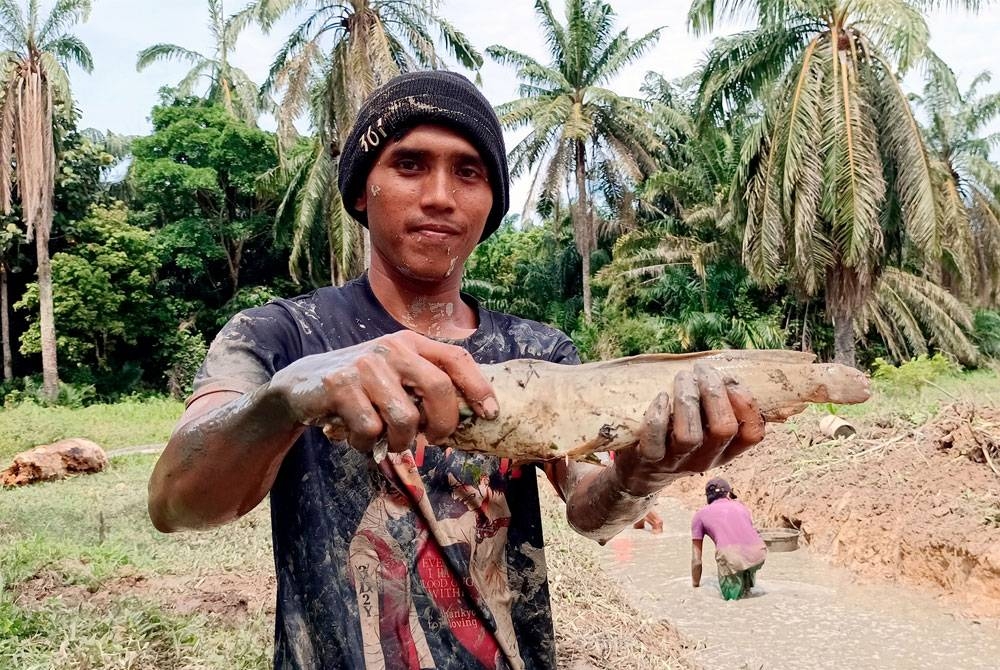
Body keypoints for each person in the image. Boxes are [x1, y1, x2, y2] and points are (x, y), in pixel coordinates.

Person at [147, 70, 767, 670]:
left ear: (491, 203)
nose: (440, 195)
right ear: (363, 189)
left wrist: (643, 471)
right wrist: (292, 396)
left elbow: (588, 507)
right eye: (410, 164)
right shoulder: (278, 336)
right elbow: (176, 502)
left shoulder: (539, 352)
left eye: (468, 172)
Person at [690, 477, 767, 601]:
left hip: (732, 557)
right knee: (747, 593)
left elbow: (696, 561)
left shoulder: (699, 515)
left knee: (732, 602)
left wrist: (695, 587)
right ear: (728, 494)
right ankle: (748, 590)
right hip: (758, 553)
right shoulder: (741, 507)